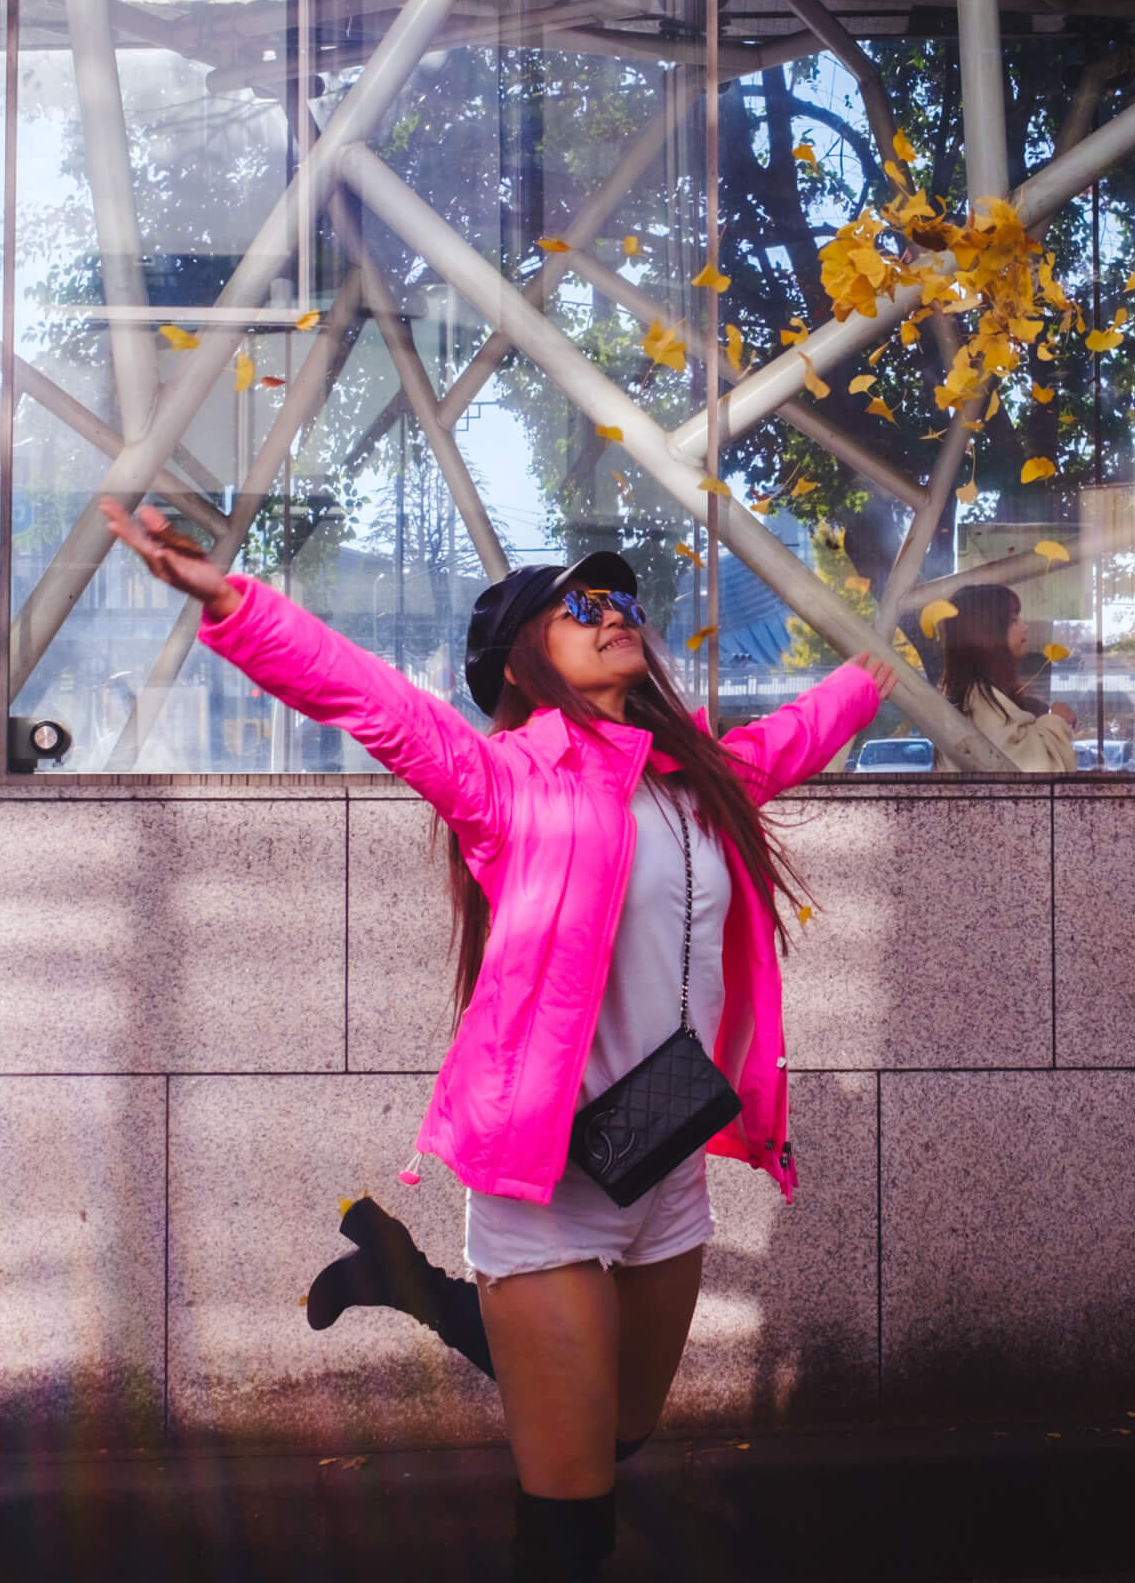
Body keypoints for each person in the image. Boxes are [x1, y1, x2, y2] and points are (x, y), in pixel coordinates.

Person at [104, 497, 892, 1583]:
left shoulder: (700, 777)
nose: (618, 613)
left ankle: (411, 1283)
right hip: (550, 1182)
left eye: (622, 600)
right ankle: (434, 1291)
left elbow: (798, 734)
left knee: (618, 1429)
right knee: (573, 1513)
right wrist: (232, 600)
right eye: (584, 605)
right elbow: (369, 699)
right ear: (525, 659)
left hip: (660, 1159)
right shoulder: (507, 778)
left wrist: (884, 663)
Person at [933, 582, 1076, 773]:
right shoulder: (980, 702)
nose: (1025, 627)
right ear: (987, 632)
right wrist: (1056, 721)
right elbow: (1029, 774)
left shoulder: (974, 697)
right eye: (1013, 620)